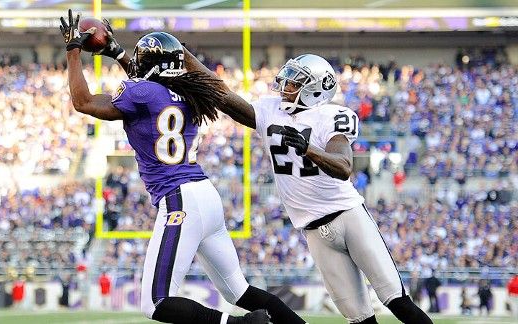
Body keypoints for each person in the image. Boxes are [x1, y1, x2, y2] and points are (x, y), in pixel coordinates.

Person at [59, 10, 308, 324]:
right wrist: (117, 52)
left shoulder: (140, 92)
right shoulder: (190, 94)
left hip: (179, 199)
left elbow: (84, 102)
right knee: (239, 292)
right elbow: (149, 86)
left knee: (155, 303)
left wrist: (73, 52)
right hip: (205, 196)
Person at [183, 48, 434, 324]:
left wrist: (309, 150)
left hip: (348, 217)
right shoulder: (270, 110)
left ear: (314, 89)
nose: (285, 87)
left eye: (294, 82)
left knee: (396, 300)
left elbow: (343, 167)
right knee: (359, 318)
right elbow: (221, 94)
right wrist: (181, 52)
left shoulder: (331, 116)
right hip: (313, 231)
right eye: (287, 79)